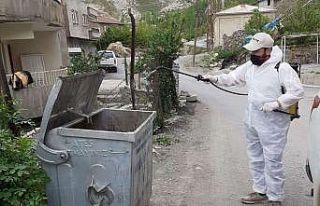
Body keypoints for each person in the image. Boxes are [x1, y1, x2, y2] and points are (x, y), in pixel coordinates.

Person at [203, 32, 304, 205]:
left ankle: (275, 197)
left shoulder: (282, 68)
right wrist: (213, 78)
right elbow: (232, 77)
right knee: (255, 156)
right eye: (252, 51)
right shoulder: (250, 66)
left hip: (273, 122)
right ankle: (260, 191)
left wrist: (277, 103)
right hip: (252, 118)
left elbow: (297, 92)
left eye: (256, 51)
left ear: (267, 50)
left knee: (272, 159)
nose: (253, 55)